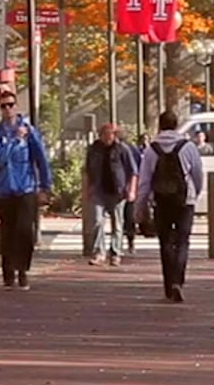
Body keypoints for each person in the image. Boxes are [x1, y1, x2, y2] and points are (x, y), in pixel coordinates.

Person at [0, 89, 53, 291]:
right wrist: (15, 140)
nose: (7, 109)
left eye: (11, 105)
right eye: (4, 106)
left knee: (25, 231)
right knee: (7, 231)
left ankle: (23, 269)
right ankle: (8, 272)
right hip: (5, 189)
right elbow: (0, 158)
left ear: (16, 107)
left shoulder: (29, 130)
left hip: (26, 187)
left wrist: (45, 186)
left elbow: (41, 158)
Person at [136, 109, 204, 301]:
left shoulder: (152, 149)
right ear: (175, 125)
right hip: (184, 200)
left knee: (165, 242)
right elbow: (198, 174)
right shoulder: (188, 147)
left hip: (161, 200)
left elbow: (145, 180)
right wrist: (195, 193)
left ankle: (168, 285)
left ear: (160, 125)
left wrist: (140, 207)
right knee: (182, 241)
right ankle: (178, 281)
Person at [83, 122, 138, 266]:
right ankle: (99, 252)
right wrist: (88, 188)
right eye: (104, 134)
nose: (107, 137)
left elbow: (133, 172)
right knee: (97, 221)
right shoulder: (94, 149)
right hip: (98, 190)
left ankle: (116, 252)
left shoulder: (122, 149)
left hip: (117, 191)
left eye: (110, 134)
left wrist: (131, 190)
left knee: (117, 224)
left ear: (115, 135)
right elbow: (88, 170)